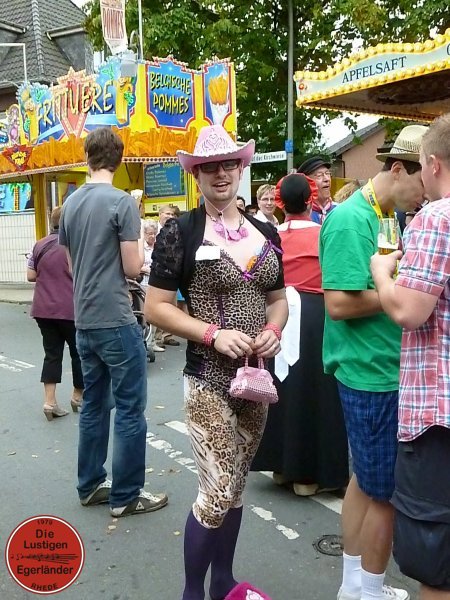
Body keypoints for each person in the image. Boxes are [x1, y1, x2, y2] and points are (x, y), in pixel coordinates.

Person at [145, 124, 288, 600]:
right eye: (210, 166)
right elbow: (156, 307)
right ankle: (192, 593)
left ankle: (223, 582)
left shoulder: (266, 231)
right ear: (197, 174)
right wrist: (212, 333)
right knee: (217, 489)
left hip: (256, 381)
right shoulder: (179, 232)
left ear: (241, 168)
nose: (221, 173)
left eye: (229, 164)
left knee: (237, 487)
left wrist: (274, 331)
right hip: (207, 380)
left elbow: (277, 299)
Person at [319, 124, 428, 600]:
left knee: (364, 482)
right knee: (385, 494)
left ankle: (353, 586)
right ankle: (370, 590)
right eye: (424, 181)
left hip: (376, 368)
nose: (427, 193)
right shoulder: (351, 219)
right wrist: (399, 293)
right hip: (371, 373)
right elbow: (338, 304)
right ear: (399, 169)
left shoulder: (385, 214)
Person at [59, 127, 168, 517]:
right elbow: (133, 267)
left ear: (87, 158)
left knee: (93, 404)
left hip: (84, 319)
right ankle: (125, 495)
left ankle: (90, 484)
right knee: (129, 407)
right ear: (119, 161)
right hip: (116, 318)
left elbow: (71, 265)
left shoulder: (70, 204)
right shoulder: (122, 202)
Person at [370, 114, 450, 600]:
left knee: (436, 565)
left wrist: (383, 273)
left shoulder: (436, 218)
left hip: (438, 417)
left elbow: (408, 310)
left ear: (433, 164)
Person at [252, 173, 349, 495]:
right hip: (315, 314)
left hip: (277, 312)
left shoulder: (269, 235)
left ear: (280, 203)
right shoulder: (323, 232)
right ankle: (308, 474)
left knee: (282, 385)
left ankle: (281, 465)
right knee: (314, 389)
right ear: (311, 200)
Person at [27, 206, 83, 421]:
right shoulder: (74, 245)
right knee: (78, 354)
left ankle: (49, 402)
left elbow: (31, 275)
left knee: (52, 354)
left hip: (43, 309)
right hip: (70, 309)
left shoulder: (39, 244)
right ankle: (78, 396)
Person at [297, 156, 336, 223]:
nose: (326, 179)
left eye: (327, 173)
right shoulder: (301, 217)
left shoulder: (340, 210)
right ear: (307, 182)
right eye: (319, 175)